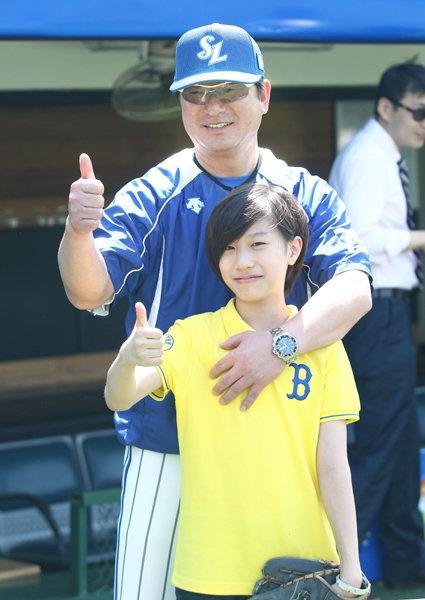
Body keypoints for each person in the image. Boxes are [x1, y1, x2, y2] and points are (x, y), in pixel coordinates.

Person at [58, 22, 372, 600]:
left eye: (228, 89)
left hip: (278, 437)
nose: (212, 106)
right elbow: (89, 290)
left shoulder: (302, 190)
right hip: (170, 436)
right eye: (195, 93)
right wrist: (79, 231)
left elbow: (355, 287)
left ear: (264, 96)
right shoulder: (156, 189)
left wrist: (280, 344)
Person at [104, 182, 371, 600]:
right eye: (228, 248)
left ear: (293, 249)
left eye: (257, 244)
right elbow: (119, 397)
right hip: (208, 572)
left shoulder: (324, 348)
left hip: (304, 569)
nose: (242, 261)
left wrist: (352, 568)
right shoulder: (191, 337)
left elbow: (334, 467)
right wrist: (128, 358)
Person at [329, 60, 425, 588]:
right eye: (419, 111)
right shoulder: (369, 156)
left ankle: (408, 569)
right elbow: (360, 240)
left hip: (388, 312)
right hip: (376, 312)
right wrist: (419, 238)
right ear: (386, 107)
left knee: (400, 445)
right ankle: (337, 576)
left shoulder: (381, 153)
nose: (424, 123)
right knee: (375, 447)